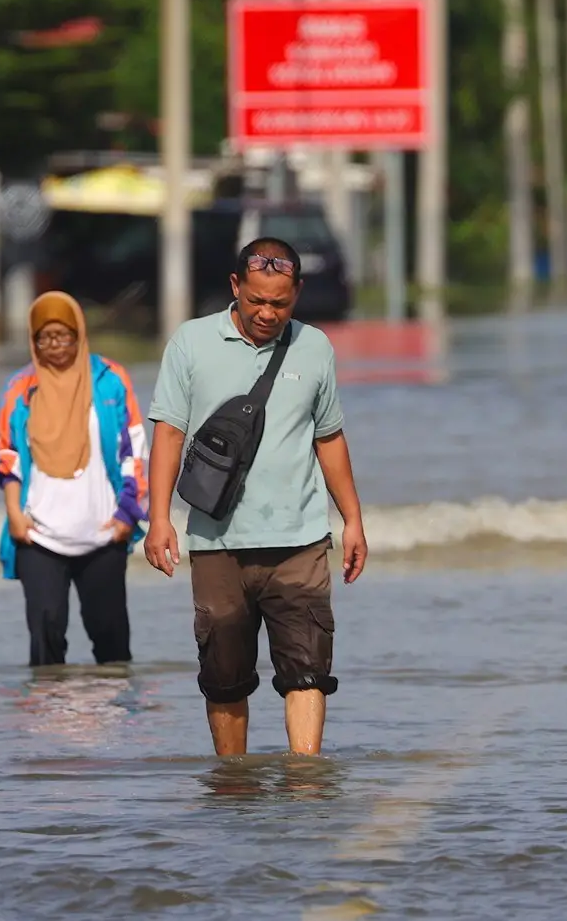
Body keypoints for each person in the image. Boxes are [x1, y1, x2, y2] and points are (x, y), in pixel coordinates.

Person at [142, 236, 368, 757]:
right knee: (224, 677)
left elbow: (328, 436)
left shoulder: (314, 347)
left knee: (307, 673)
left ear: (298, 293)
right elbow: (169, 434)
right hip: (217, 541)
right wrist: (159, 520)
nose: (268, 313)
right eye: (257, 300)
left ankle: (306, 783)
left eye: (281, 303)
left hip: (300, 539)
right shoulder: (190, 343)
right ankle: (233, 782)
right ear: (235, 287)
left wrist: (351, 519)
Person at [0, 291, 149, 667]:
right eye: (44, 337)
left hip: (104, 533)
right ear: (33, 340)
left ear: (79, 334)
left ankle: (113, 718)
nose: (54, 345)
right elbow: (5, 457)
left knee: (110, 640)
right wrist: (14, 512)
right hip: (39, 534)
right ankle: (48, 716)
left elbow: (135, 450)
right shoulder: (19, 389)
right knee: (45, 634)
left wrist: (128, 514)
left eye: (63, 335)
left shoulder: (110, 380)